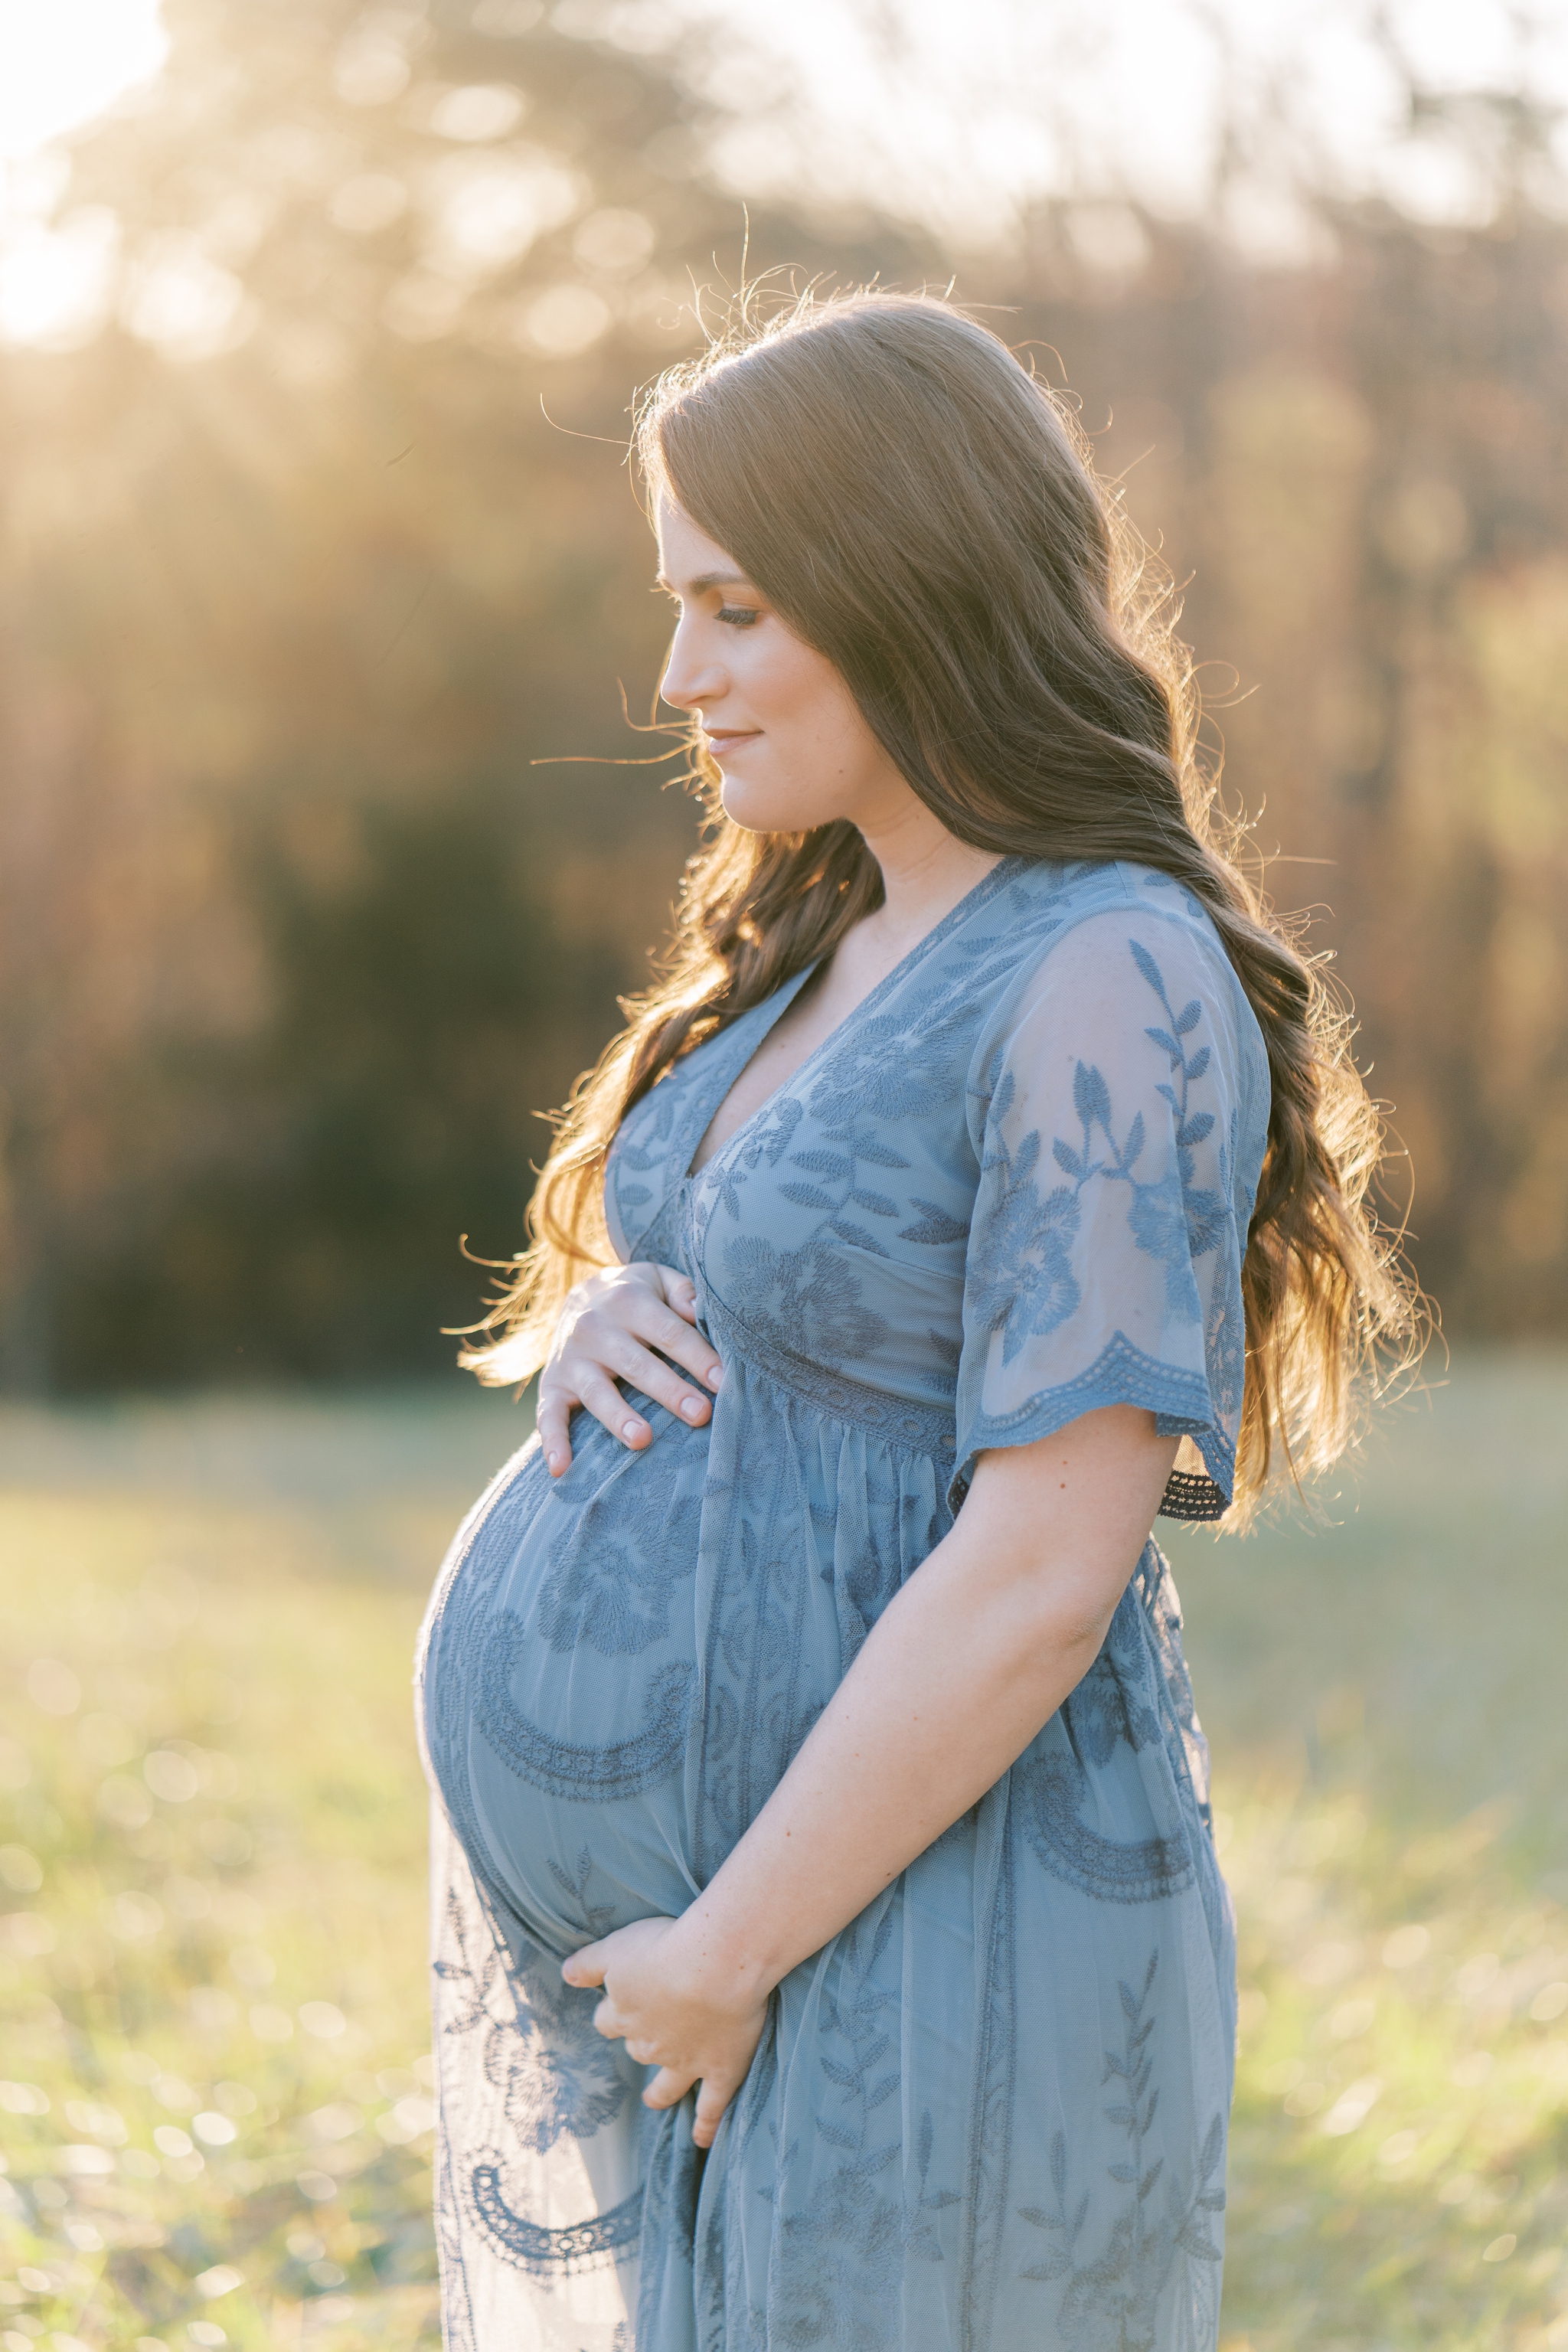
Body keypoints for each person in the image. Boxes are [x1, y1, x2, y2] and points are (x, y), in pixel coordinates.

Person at [415, 289, 1410, 2352]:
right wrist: (602, 1308)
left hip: (910, 1935)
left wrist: (730, 1945)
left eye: (740, 609)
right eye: (680, 607)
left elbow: (1051, 1560)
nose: (680, 675)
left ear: (914, 590)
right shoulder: (830, 925)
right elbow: (773, 1295)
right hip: (727, 1962)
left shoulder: (1110, 973)